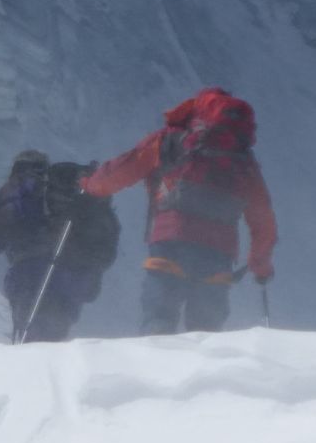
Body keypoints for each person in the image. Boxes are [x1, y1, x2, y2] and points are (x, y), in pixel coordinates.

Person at [82, 88, 277, 334]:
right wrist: (261, 265)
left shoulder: (171, 139)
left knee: (159, 320)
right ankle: (206, 372)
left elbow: (123, 168)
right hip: (218, 253)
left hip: (171, 241)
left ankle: (155, 366)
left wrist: (90, 186)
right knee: (205, 333)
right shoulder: (242, 158)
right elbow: (262, 217)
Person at [0, 152, 119, 342]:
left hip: (31, 276)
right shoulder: (67, 197)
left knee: (31, 343)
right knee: (52, 341)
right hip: (74, 282)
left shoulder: (21, 189)